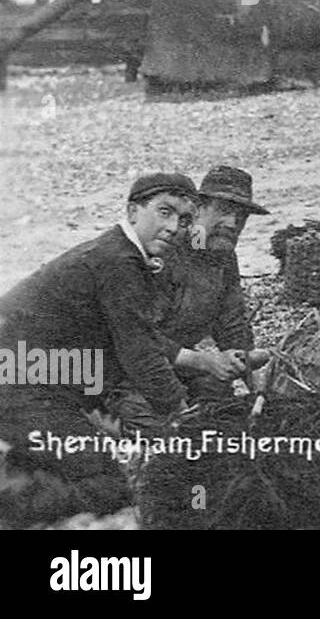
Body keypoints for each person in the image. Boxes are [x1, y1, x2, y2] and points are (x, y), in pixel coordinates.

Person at [0, 174, 197, 523]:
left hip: (37, 382)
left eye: (183, 220)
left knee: (89, 457)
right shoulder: (119, 262)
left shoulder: (117, 254)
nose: (173, 227)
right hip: (19, 386)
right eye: (164, 212)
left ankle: (25, 468)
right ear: (133, 211)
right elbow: (140, 353)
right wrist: (183, 418)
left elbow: (134, 335)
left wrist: (200, 366)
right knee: (110, 482)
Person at [111, 166, 271, 430]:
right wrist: (204, 361)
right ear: (198, 209)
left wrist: (252, 373)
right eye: (223, 210)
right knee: (159, 430)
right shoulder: (162, 249)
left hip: (178, 364)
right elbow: (134, 334)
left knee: (223, 411)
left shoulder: (222, 256)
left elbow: (232, 324)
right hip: (125, 366)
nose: (232, 223)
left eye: (241, 216)